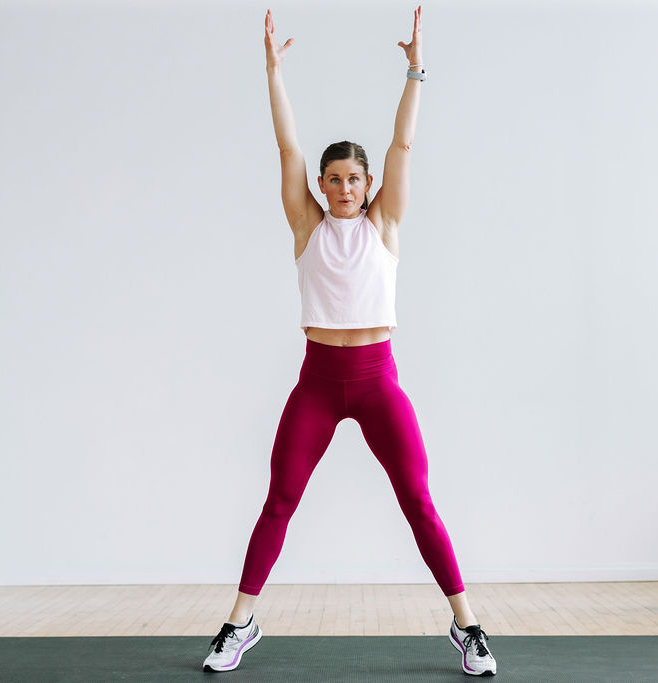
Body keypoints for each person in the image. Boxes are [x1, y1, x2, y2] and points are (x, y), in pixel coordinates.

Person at [203, 6, 497, 676]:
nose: (341, 187)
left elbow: (403, 145)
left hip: (375, 381)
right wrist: (273, 73)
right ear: (320, 187)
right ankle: (238, 625)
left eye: (352, 179)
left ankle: (468, 625)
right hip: (318, 381)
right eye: (332, 178)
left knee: (418, 498)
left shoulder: (384, 224)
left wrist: (414, 71)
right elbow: (287, 148)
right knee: (280, 497)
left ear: (369, 188)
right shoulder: (306, 225)